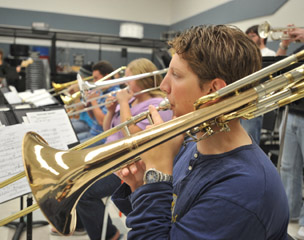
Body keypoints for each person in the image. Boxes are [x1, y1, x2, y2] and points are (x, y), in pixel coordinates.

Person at [112, 25, 289, 239]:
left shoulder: (243, 189)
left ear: (214, 90)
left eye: (176, 75)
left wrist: (158, 174)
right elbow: (164, 224)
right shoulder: (191, 143)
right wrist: (142, 185)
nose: (164, 86)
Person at [72, 58, 173, 240]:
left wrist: (123, 103)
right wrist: (111, 110)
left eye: (129, 78)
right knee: (73, 171)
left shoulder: (158, 104)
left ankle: (110, 235)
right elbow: (107, 129)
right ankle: (79, 223)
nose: (124, 83)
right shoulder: (132, 98)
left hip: (127, 164)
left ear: (143, 79)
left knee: (83, 192)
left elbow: (134, 137)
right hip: (109, 151)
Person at [276, 26, 304, 240]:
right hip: (293, 112)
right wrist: (283, 45)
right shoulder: (299, 52)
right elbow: (277, 72)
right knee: (287, 167)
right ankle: (289, 213)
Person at [69, 61, 120, 146]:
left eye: (96, 78)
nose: (94, 81)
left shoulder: (114, 93)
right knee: (68, 142)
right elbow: (93, 118)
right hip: (93, 132)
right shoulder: (101, 91)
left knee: (72, 148)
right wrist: (88, 104)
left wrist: (93, 101)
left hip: (101, 137)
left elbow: (101, 121)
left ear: (107, 77)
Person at [241, 24, 277, 144]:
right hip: (242, 101)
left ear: (261, 37)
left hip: (256, 102)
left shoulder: (268, 53)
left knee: (249, 140)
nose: (248, 39)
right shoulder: (245, 55)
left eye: (251, 36)